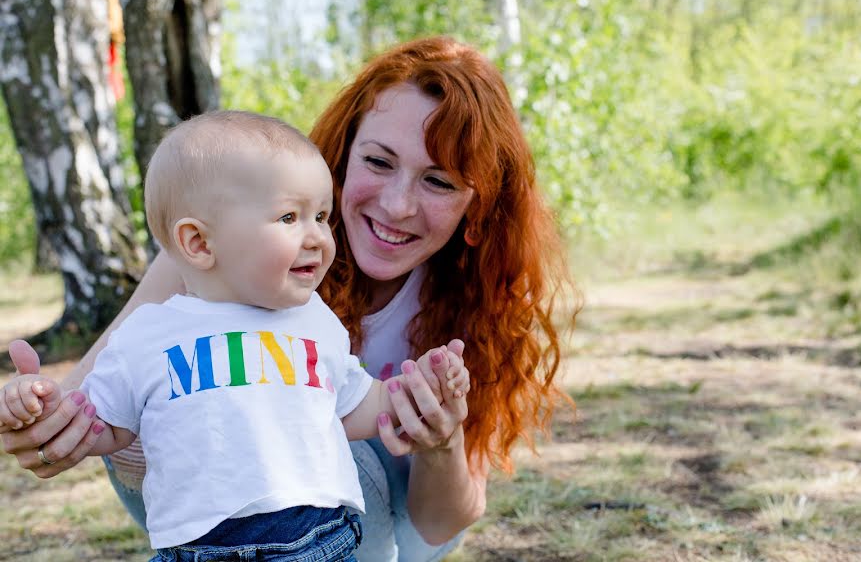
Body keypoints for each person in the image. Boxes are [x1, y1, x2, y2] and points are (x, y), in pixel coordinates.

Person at [0, 36, 576, 561]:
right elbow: (87, 400)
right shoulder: (222, 249)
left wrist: (440, 439)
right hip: (209, 529)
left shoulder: (479, 303)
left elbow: (440, 522)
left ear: (477, 205)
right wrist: (44, 422)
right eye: (378, 162)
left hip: (360, 530)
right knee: (174, 383)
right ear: (341, 157)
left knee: (327, 429)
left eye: (439, 181)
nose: (399, 205)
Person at [1, 110, 469, 561]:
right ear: (200, 243)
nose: (318, 238)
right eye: (290, 218)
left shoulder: (313, 321)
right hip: (198, 550)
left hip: (316, 542)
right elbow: (105, 427)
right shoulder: (148, 334)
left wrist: (419, 389)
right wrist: (43, 407)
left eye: (322, 217)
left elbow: (356, 404)